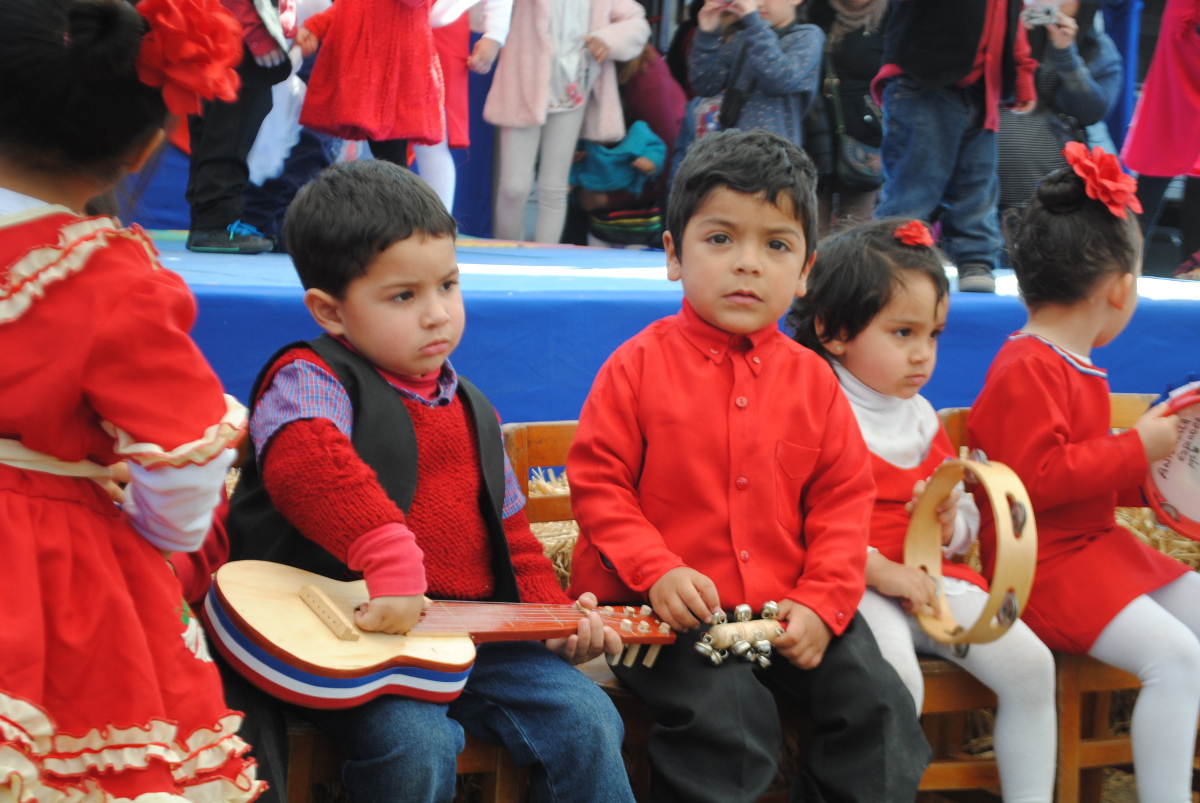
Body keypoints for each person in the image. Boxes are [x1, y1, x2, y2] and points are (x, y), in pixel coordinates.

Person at [222, 159, 636, 803]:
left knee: (588, 720)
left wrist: (550, 619)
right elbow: (308, 461)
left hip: (472, 636)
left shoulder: (473, 406)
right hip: (355, 642)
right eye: (403, 296)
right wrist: (388, 555)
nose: (437, 314)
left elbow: (512, 533)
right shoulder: (310, 377)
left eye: (448, 285)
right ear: (329, 311)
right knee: (417, 743)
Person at [567, 128, 930, 803]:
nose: (748, 264)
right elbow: (599, 486)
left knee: (882, 709)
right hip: (668, 613)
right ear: (674, 254)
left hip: (787, 602)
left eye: (776, 245)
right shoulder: (635, 367)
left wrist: (823, 604)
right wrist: (658, 568)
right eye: (720, 239)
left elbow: (843, 505)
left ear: (805, 272)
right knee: (729, 726)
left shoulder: (814, 383)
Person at [0, 1, 262, 801]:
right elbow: (184, 473)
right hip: (49, 570)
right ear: (148, 145)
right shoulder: (108, 281)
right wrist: (145, 523)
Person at [787, 218, 1057, 801]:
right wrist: (881, 571)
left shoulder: (920, 415)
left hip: (927, 579)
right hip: (852, 581)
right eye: (903, 332)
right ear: (834, 331)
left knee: (1032, 667)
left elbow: (957, 530)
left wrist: (946, 524)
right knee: (894, 682)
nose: (922, 355)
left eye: (932, 335)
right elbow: (791, 523)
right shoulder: (811, 403)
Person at [969, 142, 1200, 801]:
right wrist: (1139, 447)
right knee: (1175, 657)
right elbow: (1035, 478)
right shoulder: (1026, 365)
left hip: (1094, 551)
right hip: (1040, 566)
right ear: (1121, 288)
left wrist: (1163, 476)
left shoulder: (1068, 361)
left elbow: (1087, 473)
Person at [871, 0, 1037, 292]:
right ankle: (895, 264)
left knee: (977, 183)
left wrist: (1022, 76)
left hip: (982, 90)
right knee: (914, 186)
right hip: (923, 80)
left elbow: (1012, 23)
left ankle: (976, 260)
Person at [484, 0, 650, 243]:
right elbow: (485, 12)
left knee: (554, 187)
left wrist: (609, 38)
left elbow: (637, 23)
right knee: (513, 187)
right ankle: (506, 257)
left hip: (573, 87)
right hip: (521, 85)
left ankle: (543, 264)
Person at [185, 0, 293, 253]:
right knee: (230, 126)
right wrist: (256, 30)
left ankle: (208, 222)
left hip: (218, 25)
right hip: (238, 30)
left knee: (216, 125)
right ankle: (216, 223)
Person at [997, 1, 1121, 213]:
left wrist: (1065, 53)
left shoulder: (1097, 48)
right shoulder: (1003, 30)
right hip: (987, 183)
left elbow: (1092, 111)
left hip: (1051, 197)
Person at [295, 0, 443, 166]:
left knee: (391, 162)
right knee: (387, 160)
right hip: (372, 79)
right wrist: (316, 26)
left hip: (393, 79)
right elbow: (349, 8)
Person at [416, 0, 513, 212]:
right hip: (380, 20)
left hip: (440, 26)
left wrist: (494, 34)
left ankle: (439, 228)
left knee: (431, 136)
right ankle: (363, 228)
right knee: (370, 130)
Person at [688, 0, 825, 146]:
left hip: (776, 153)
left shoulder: (808, 36)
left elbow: (778, 79)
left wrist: (754, 24)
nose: (758, 4)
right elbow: (705, 85)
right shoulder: (743, 38)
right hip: (732, 150)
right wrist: (707, 34)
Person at [806, 0, 888, 234]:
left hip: (865, 139)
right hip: (815, 132)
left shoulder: (889, 17)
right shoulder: (815, 11)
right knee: (814, 230)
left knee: (853, 233)